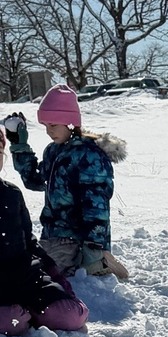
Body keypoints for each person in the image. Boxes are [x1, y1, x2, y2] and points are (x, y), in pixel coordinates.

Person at [2, 84, 129, 279]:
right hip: (53, 234)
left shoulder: (89, 155)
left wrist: (94, 245)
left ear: (70, 122)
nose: (48, 131)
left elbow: (96, 204)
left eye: (53, 125)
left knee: (40, 274)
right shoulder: (54, 150)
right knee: (28, 263)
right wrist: (20, 145)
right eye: (45, 126)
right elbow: (34, 180)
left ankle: (101, 262)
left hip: (77, 238)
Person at [0, 124, 89, 336]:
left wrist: (57, 278)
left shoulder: (11, 194)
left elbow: (29, 242)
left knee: (70, 315)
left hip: (24, 278)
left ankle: (30, 313)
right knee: (12, 321)